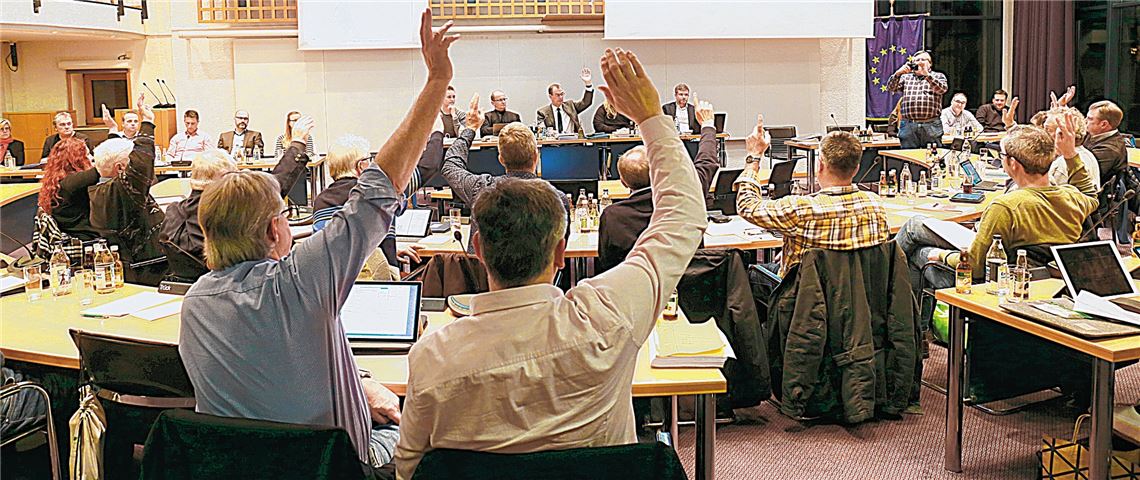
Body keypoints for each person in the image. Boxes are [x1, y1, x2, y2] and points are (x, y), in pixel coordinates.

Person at [394, 47, 707, 480]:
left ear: (478, 248)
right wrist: (651, 118)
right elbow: (683, 216)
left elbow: (409, 471)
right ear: (561, 252)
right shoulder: (608, 316)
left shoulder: (432, 358)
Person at [179, 11, 456, 479]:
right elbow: (378, 188)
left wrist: (360, 383)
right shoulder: (301, 280)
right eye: (285, 218)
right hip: (338, 467)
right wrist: (436, 82)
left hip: (240, 470)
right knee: (437, 439)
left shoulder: (195, 304)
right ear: (272, 232)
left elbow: (282, 372)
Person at [895, 116, 1097, 292]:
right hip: (1039, 275)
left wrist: (941, 255)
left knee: (918, 253)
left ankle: (889, 301)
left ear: (1013, 164)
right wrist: (1071, 155)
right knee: (917, 224)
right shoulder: (1072, 198)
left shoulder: (1006, 206)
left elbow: (975, 266)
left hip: (989, 283)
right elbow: (1090, 194)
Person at [735, 118, 890, 278]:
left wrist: (754, 156)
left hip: (802, 298)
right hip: (856, 296)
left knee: (749, 276)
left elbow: (747, 205)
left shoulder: (801, 209)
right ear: (856, 168)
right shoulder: (876, 206)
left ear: (820, 165)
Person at [160, 123, 310, 283]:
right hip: (239, 287)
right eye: (236, 175)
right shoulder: (229, 210)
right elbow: (276, 185)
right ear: (226, 176)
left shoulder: (173, 212)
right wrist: (297, 144)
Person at [597, 98, 719, 272]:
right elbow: (707, 160)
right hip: (687, 290)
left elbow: (606, 265)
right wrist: (707, 125)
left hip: (636, 294)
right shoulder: (685, 199)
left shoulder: (612, 216)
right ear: (659, 171)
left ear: (623, 182)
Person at [441, 95, 568, 253]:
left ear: (501, 159)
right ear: (536, 156)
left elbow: (450, 165)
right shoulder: (557, 199)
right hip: (539, 277)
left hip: (484, 276)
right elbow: (559, 250)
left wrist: (470, 129)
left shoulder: (482, 189)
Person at [312, 123, 442, 266]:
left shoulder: (320, 202)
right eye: (369, 160)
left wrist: (391, 249)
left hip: (335, 286)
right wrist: (437, 133)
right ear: (361, 166)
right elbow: (428, 167)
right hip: (380, 284)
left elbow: (338, 251)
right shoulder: (379, 192)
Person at [89, 101, 168, 285]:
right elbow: (142, 163)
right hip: (150, 267)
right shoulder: (121, 191)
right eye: (129, 161)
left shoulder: (100, 189)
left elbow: (111, 155)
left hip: (135, 262)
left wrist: (113, 130)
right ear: (121, 168)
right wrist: (147, 122)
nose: (132, 163)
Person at [1024, 107, 1100, 196]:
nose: (1042, 133)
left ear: (1062, 134)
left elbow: (1047, 200)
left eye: (1047, 129)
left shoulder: (1061, 165)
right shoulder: (1086, 153)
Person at [38, 137, 99, 240]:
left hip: (71, 232)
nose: (92, 157)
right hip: (82, 237)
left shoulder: (58, 179)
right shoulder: (72, 181)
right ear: (77, 159)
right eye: (87, 154)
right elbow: (104, 169)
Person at [886, 50, 948, 149]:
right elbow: (891, 88)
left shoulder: (938, 76)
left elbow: (942, 89)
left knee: (933, 156)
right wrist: (898, 74)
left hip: (931, 124)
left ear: (930, 63)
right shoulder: (906, 77)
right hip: (908, 124)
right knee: (907, 157)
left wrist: (927, 75)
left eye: (922, 60)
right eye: (916, 60)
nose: (919, 62)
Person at [536, 68, 594, 136]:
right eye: (557, 95)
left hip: (573, 142)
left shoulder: (570, 106)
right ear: (550, 96)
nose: (560, 97)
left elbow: (586, 103)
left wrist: (588, 84)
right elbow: (541, 131)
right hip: (553, 144)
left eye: (562, 94)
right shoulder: (542, 112)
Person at [1083, 100, 1128, 183]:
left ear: (1103, 124)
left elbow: (1083, 176)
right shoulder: (1093, 133)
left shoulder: (1110, 150)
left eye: (1090, 119)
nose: (1085, 121)